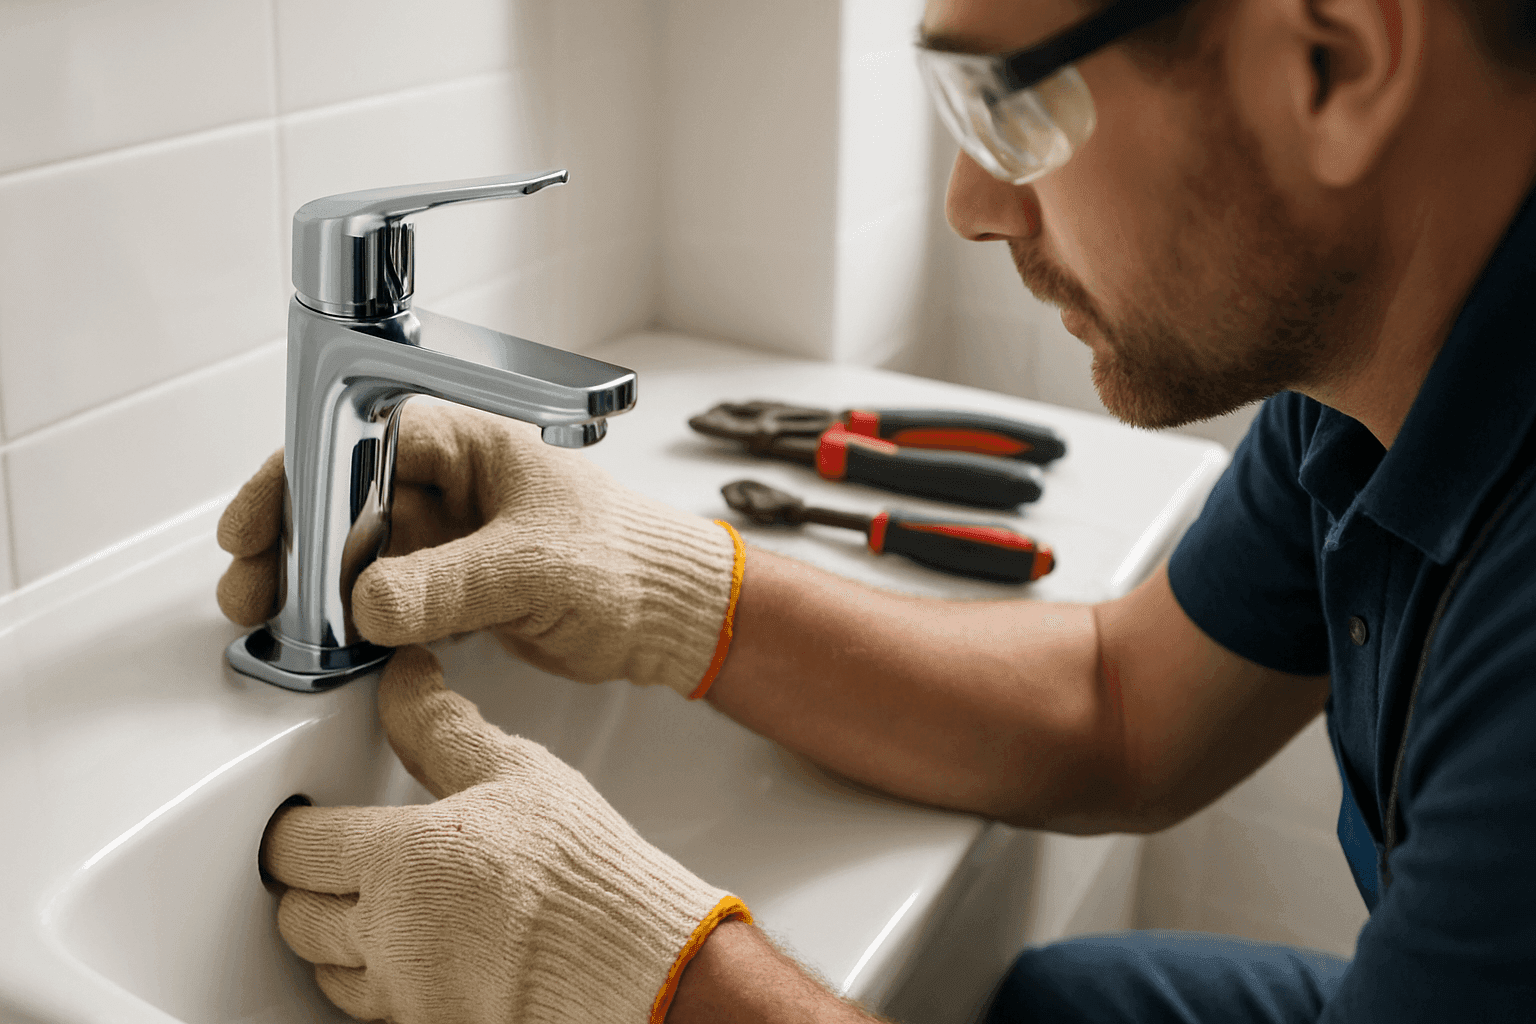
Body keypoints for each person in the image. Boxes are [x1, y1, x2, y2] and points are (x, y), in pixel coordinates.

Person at [217, 0, 1536, 1018]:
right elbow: (1123, 706)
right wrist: (663, 586)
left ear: (1337, 62)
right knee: (1071, 1006)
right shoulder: (1376, 362)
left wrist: (640, 980)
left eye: (1009, 103)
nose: (971, 205)